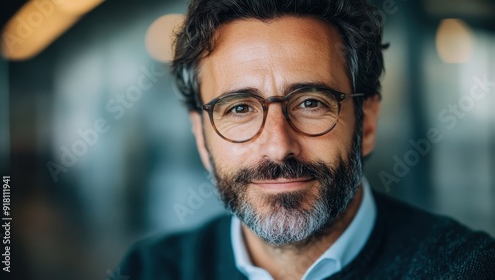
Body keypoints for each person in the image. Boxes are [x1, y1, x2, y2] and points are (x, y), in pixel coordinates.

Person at [118, 0, 495, 279]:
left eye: (311, 103)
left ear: (366, 123)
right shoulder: (148, 271)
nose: (279, 146)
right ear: (201, 137)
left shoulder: (466, 269)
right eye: (239, 108)